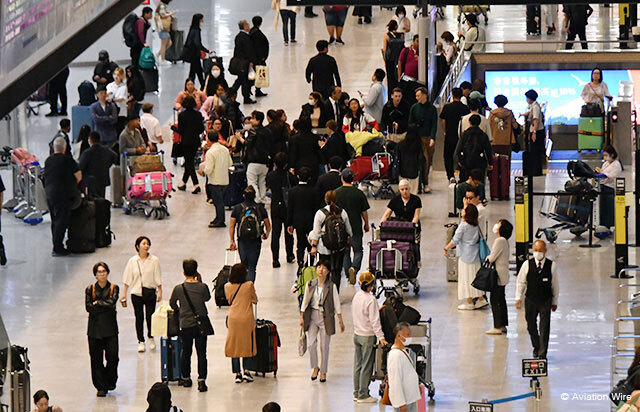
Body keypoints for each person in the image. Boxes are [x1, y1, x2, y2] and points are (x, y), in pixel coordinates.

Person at [169, 259, 211, 392]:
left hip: (185, 324)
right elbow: (207, 298)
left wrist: (179, 311)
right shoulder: (202, 286)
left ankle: (186, 378)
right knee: (202, 353)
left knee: (186, 352)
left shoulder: (179, 288)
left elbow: (172, 303)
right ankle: (202, 381)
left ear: (183, 272)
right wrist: (200, 281)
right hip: (201, 325)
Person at [300, 258, 345, 382]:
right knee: (311, 344)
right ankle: (315, 367)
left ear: (328, 271)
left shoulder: (331, 286)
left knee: (324, 346)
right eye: (319, 267)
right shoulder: (310, 284)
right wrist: (302, 316)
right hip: (312, 316)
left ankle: (323, 371)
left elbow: (336, 304)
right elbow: (305, 301)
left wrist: (340, 320)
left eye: (324, 268)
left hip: (326, 317)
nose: (321, 270)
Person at [515, 239, 559, 359]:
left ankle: (542, 354)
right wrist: (518, 298)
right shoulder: (527, 265)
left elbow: (555, 285)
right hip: (531, 300)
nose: (537, 253)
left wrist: (555, 302)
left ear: (545, 251)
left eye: (540, 250)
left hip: (545, 300)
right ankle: (537, 346)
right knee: (531, 326)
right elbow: (521, 282)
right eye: (535, 250)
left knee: (544, 328)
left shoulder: (552, 266)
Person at [120, 236, 162, 352]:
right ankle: (141, 340)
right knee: (139, 317)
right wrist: (124, 293)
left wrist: (160, 291)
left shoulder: (154, 260)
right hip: (136, 293)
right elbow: (128, 277)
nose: (146, 246)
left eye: (148, 244)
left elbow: (157, 276)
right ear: (138, 246)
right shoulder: (133, 261)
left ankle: (151, 337)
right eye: (143, 244)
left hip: (150, 292)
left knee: (150, 316)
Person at [443, 204, 489, 310]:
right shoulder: (475, 225)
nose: (462, 210)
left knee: (466, 279)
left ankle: (469, 302)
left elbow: (455, 240)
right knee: (475, 278)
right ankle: (481, 299)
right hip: (475, 255)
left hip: (465, 256)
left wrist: (446, 248)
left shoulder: (463, 226)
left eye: (464, 210)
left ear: (466, 214)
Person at [352, 272, 388, 403]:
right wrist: (381, 337)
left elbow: (362, 314)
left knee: (358, 365)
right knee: (367, 365)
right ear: (372, 285)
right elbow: (374, 321)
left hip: (357, 334)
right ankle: (364, 394)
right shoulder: (371, 299)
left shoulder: (357, 296)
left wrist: (376, 310)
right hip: (368, 336)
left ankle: (356, 392)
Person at [85, 261, 119, 397]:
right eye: (99, 272)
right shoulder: (90, 289)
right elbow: (88, 307)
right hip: (94, 331)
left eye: (104, 271)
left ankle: (110, 380)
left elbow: (112, 303)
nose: (102, 274)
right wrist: (103, 306)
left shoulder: (113, 288)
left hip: (110, 330)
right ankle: (100, 386)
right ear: (95, 275)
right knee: (96, 359)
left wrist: (98, 303)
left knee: (113, 357)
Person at [44, 137, 82, 256]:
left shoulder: (48, 160)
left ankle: (56, 244)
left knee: (55, 220)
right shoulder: (68, 160)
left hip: (49, 193)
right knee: (62, 220)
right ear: (65, 147)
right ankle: (57, 247)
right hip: (63, 193)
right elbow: (79, 176)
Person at [309, 190, 353, 291]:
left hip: (324, 248)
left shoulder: (320, 213)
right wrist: (348, 240)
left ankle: (325, 293)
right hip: (339, 247)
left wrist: (314, 247)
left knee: (324, 270)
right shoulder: (342, 212)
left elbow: (316, 232)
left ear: (325, 199)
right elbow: (349, 230)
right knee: (337, 271)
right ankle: (335, 293)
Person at [229, 186, 271, 283]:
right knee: (252, 267)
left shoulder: (237, 208)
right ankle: (250, 287)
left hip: (242, 240)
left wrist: (232, 241)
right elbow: (268, 225)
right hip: (255, 241)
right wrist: (266, 234)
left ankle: (242, 288)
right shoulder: (260, 208)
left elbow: (232, 226)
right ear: (255, 196)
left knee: (244, 265)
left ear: (243, 196)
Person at [224, 263, 258, 383]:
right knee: (247, 343)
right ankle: (247, 371)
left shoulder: (227, 286)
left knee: (234, 344)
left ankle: (237, 373)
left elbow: (229, 300)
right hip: (246, 317)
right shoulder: (249, 285)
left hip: (233, 318)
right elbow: (255, 299)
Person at [336, 168, 370, 285]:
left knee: (345, 252)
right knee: (358, 250)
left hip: (341, 229)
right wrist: (366, 223)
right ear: (353, 179)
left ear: (341, 178)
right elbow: (364, 211)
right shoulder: (359, 193)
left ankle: (347, 273)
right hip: (355, 227)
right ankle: (354, 269)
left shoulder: (336, 193)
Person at [266, 153, 296, 267]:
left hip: (275, 205)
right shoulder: (289, 176)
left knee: (276, 232)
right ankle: (289, 254)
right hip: (287, 206)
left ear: (274, 163)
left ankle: (275, 259)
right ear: (286, 164)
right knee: (289, 232)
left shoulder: (271, 175)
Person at [198, 128, 233, 228]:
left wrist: (202, 171)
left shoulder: (210, 152)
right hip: (225, 179)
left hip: (215, 181)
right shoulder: (225, 149)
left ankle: (220, 221)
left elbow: (209, 169)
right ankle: (218, 218)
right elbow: (230, 163)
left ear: (208, 139)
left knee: (218, 202)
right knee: (220, 201)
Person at [485, 219, 513, 335]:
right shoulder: (505, 241)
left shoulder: (499, 241)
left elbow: (492, 258)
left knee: (495, 300)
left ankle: (497, 326)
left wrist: (487, 257)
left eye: (499, 224)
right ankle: (502, 325)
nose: (496, 225)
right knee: (501, 300)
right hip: (503, 275)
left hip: (498, 276)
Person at [287, 167, 320, 263]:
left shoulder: (292, 191)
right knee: (311, 243)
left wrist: (290, 224)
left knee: (300, 244)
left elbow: (290, 209)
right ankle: (310, 263)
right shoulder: (314, 191)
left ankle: (300, 263)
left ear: (298, 176)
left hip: (298, 221)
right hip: (311, 221)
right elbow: (316, 207)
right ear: (309, 178)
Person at [408, 87, 438, 193]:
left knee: (427, 161)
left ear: (424, 95)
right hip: (417, 138)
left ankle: (425, 183)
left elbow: (434, 124)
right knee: (420, 160)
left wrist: (432, 137)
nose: (417, 98)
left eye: (418, 95)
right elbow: (410, 123)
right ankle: (420, 183)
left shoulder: (432, 109)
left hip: (428, 137)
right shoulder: (414, 108)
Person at [387, 322, 421, 412]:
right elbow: (395, 381)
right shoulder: (395, 355)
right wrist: (401, 403)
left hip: (410, 398)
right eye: (407, 335)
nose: (410, 337)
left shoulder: (403, 351)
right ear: (398, 336)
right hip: (404, 403)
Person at [439, 87, 470, 182]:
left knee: (448, 156)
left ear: (452, 95)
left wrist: (445, 131)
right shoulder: (465, 108)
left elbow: (443, 120)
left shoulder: (447, 107)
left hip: (450, 135)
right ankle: (462, 176)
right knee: (462, 156)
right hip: (462, 136)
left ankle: (451, 176)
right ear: (462, 96)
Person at [176, 96, 205, 193]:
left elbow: (180, 130)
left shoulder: (181, 115)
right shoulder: (198, 114)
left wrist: (172, 127)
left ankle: (196, 185)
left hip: (185, 142)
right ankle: (183, 183)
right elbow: (201, 129)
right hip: (195, 141)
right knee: (189, 161)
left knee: (189, 163)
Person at [79, 132, 118, 198]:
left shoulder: (87, 152)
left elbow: (81, 166)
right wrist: (108, 164)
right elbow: (115, 156)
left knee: (92, 199)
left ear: (90, 140)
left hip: (91, 179)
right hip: (103, 178)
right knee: (102, 197)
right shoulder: (106, 150)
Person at [245, 111, 273, 204]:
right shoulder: (268, 131)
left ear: (258, 120)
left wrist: (240, 138)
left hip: (254, 161)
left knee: (252, 182)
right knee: (262, 182)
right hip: (265, 161)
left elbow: (248, 144)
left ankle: (256, 199)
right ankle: (262, 199)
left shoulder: (253, 131)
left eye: (252, 118)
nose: (251, 121)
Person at [488, 94, 518, 180]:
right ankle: (505, 178)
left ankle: (494, 179)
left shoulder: (492, 114)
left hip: (494, 141)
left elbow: (489, 126)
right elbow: (515, 126)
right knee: (506, 162)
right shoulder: (509, 113)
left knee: (494, 162)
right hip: (507, 141)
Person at [455, 114, 493, 181]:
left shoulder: (465, 134)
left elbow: (458, 150)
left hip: (466, 162)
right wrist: (490, 163)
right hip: (480, 162)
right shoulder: (483, 135)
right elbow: (488, 150)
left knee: (467, 182)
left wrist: (461, 161)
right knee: (479, 182)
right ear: (479, 123)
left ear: (469, 122)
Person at [595, 144, 622, 232]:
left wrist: (601, 174)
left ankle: (609, 225)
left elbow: (611, 176)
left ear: (612, 154)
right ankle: (603, 225)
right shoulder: (606, 163)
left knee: (609, 208)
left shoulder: (616, 164)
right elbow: (603, 172)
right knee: (603, 208)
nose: (605, 157)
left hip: (610, 189)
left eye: (606, 155)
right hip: (603, 187)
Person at [289, 118, 323, 184]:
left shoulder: (294, 139)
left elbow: (293, 154)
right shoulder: (315, 137)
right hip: (313, 166)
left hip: (299, 166)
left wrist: (291, 167)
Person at [232, 20, 258, 105]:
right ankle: (245, 98)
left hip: (240, 62)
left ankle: (231, 93)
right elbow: (249, 50)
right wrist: (251, 61)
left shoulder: (238, 36)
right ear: (245, 26)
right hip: (245, 63)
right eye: (247, 25)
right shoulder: (245, 37)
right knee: (244, 81)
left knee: (240, 80)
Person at [521, 89, 545, 177]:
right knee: (534, 151)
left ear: (529, 98)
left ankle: (536, 171)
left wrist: (534, 132)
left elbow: (536, 119)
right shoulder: (534, 106)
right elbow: (530, 113)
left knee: (535, 152)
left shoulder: (535, 107)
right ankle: (535, 170)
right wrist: (524, 114)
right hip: (537, 131)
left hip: (537, 132)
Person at [395, 126, 425, 194]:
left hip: (402, 173)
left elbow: (397, 158)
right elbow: (421, 160)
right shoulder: (418, 145)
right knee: (413, 194)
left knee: (403, 194)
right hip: (414, 173)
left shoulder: (400, 145)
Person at [184, 14, 211, 88]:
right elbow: (197, 43)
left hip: (192, 54)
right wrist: (207, 51)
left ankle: (188, 88)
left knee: (192, 73)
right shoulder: (196, 30)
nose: (203, 20)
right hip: (195, 54)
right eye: (202, 19)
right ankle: (203, 87)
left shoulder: (192, 29)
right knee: (198, 72)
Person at [382, 20, 405, 95]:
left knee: (390, 79)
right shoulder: (401, 35)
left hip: (390, 60)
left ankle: (391, 95)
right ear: (396, 26)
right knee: (400, 77)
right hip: (400, 59)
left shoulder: (387, 36)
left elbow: (384, 50)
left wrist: (384, 61)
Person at [250, 16, 269, 98]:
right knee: (259, 73)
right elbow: (259, 46)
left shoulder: (253, 31)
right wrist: (262, 56)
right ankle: (257, 90)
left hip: (256, 57)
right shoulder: (256, 33)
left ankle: (258, 89)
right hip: (258, 58)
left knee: (258, 73)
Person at [106, 67, 128, 136]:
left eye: (118, 75)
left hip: (120, 112)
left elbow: (122, 98)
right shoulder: (109, 85)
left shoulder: (124, 87)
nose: (116, 76)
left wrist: (113, 100)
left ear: (121, 76)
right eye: (115, 74)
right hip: (111, 111)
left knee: (119, 129)